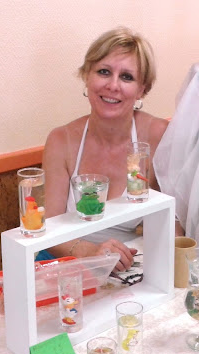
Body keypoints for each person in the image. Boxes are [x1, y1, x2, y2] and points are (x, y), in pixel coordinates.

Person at [42, 27, 171, 271]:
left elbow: (173, 221)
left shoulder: (158, 135)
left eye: (127, 77)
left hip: (126, 269)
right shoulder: (61, 140)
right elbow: (48, 228)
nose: (113, 85)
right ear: (86, 76)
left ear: (142, 89)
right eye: (104, 72)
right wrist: (89, 253)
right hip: (67, 266)